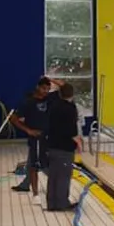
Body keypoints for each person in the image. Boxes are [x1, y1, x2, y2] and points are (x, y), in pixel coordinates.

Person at [11, 77, 63, 201]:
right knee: (36, 166)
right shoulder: (28, 102)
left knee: (36, 163)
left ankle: (26, 185)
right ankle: (35, 194)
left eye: (48, 89)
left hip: (49, 137)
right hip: (36, 138)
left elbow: (65, 87)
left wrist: (51, 79)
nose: (46, 91)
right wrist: (28, 130)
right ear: (38, 87)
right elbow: (13, 118)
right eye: (44, 88)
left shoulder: (50, 98)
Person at [44, 83, 81, 212]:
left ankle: (52, 203)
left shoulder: (54, 106)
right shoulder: (70, 108)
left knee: (53, 175)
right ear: (72, 94)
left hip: (52, 146)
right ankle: (62, 203)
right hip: (64, 148)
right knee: (63, 176)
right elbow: (71, 130)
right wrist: (78, 143)